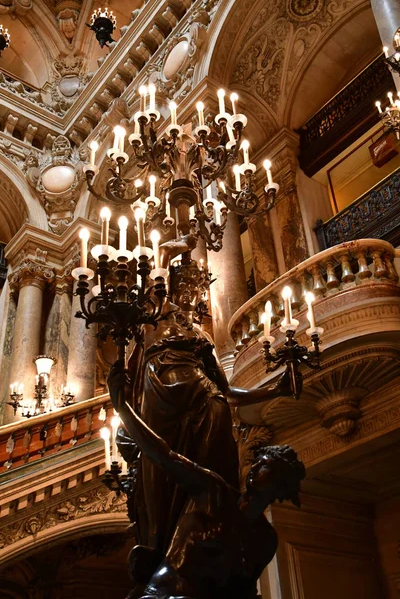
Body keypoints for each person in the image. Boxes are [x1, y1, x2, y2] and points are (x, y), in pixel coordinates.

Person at [117, 235, 296, 558]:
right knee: (161, 473)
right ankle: (160, 548)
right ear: (171, 287)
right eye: (182, 285)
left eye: (195, 289)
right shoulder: (158, 312)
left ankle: (207, 545)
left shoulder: (202, 335)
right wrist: (171, 250)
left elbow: (228, 391)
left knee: (213, 478)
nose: (189, 292)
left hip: (209, 404)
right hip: (163, 401)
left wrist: (276, 389)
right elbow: (154, 279)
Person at [108, 360, 305, 599]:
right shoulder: (215, 492)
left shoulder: (264, 539)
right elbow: (164, 456)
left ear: (282, 487)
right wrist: (122, 407)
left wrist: (276, 389)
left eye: (266, 466)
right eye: (258, 461)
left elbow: (244, 591)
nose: (255, 467)